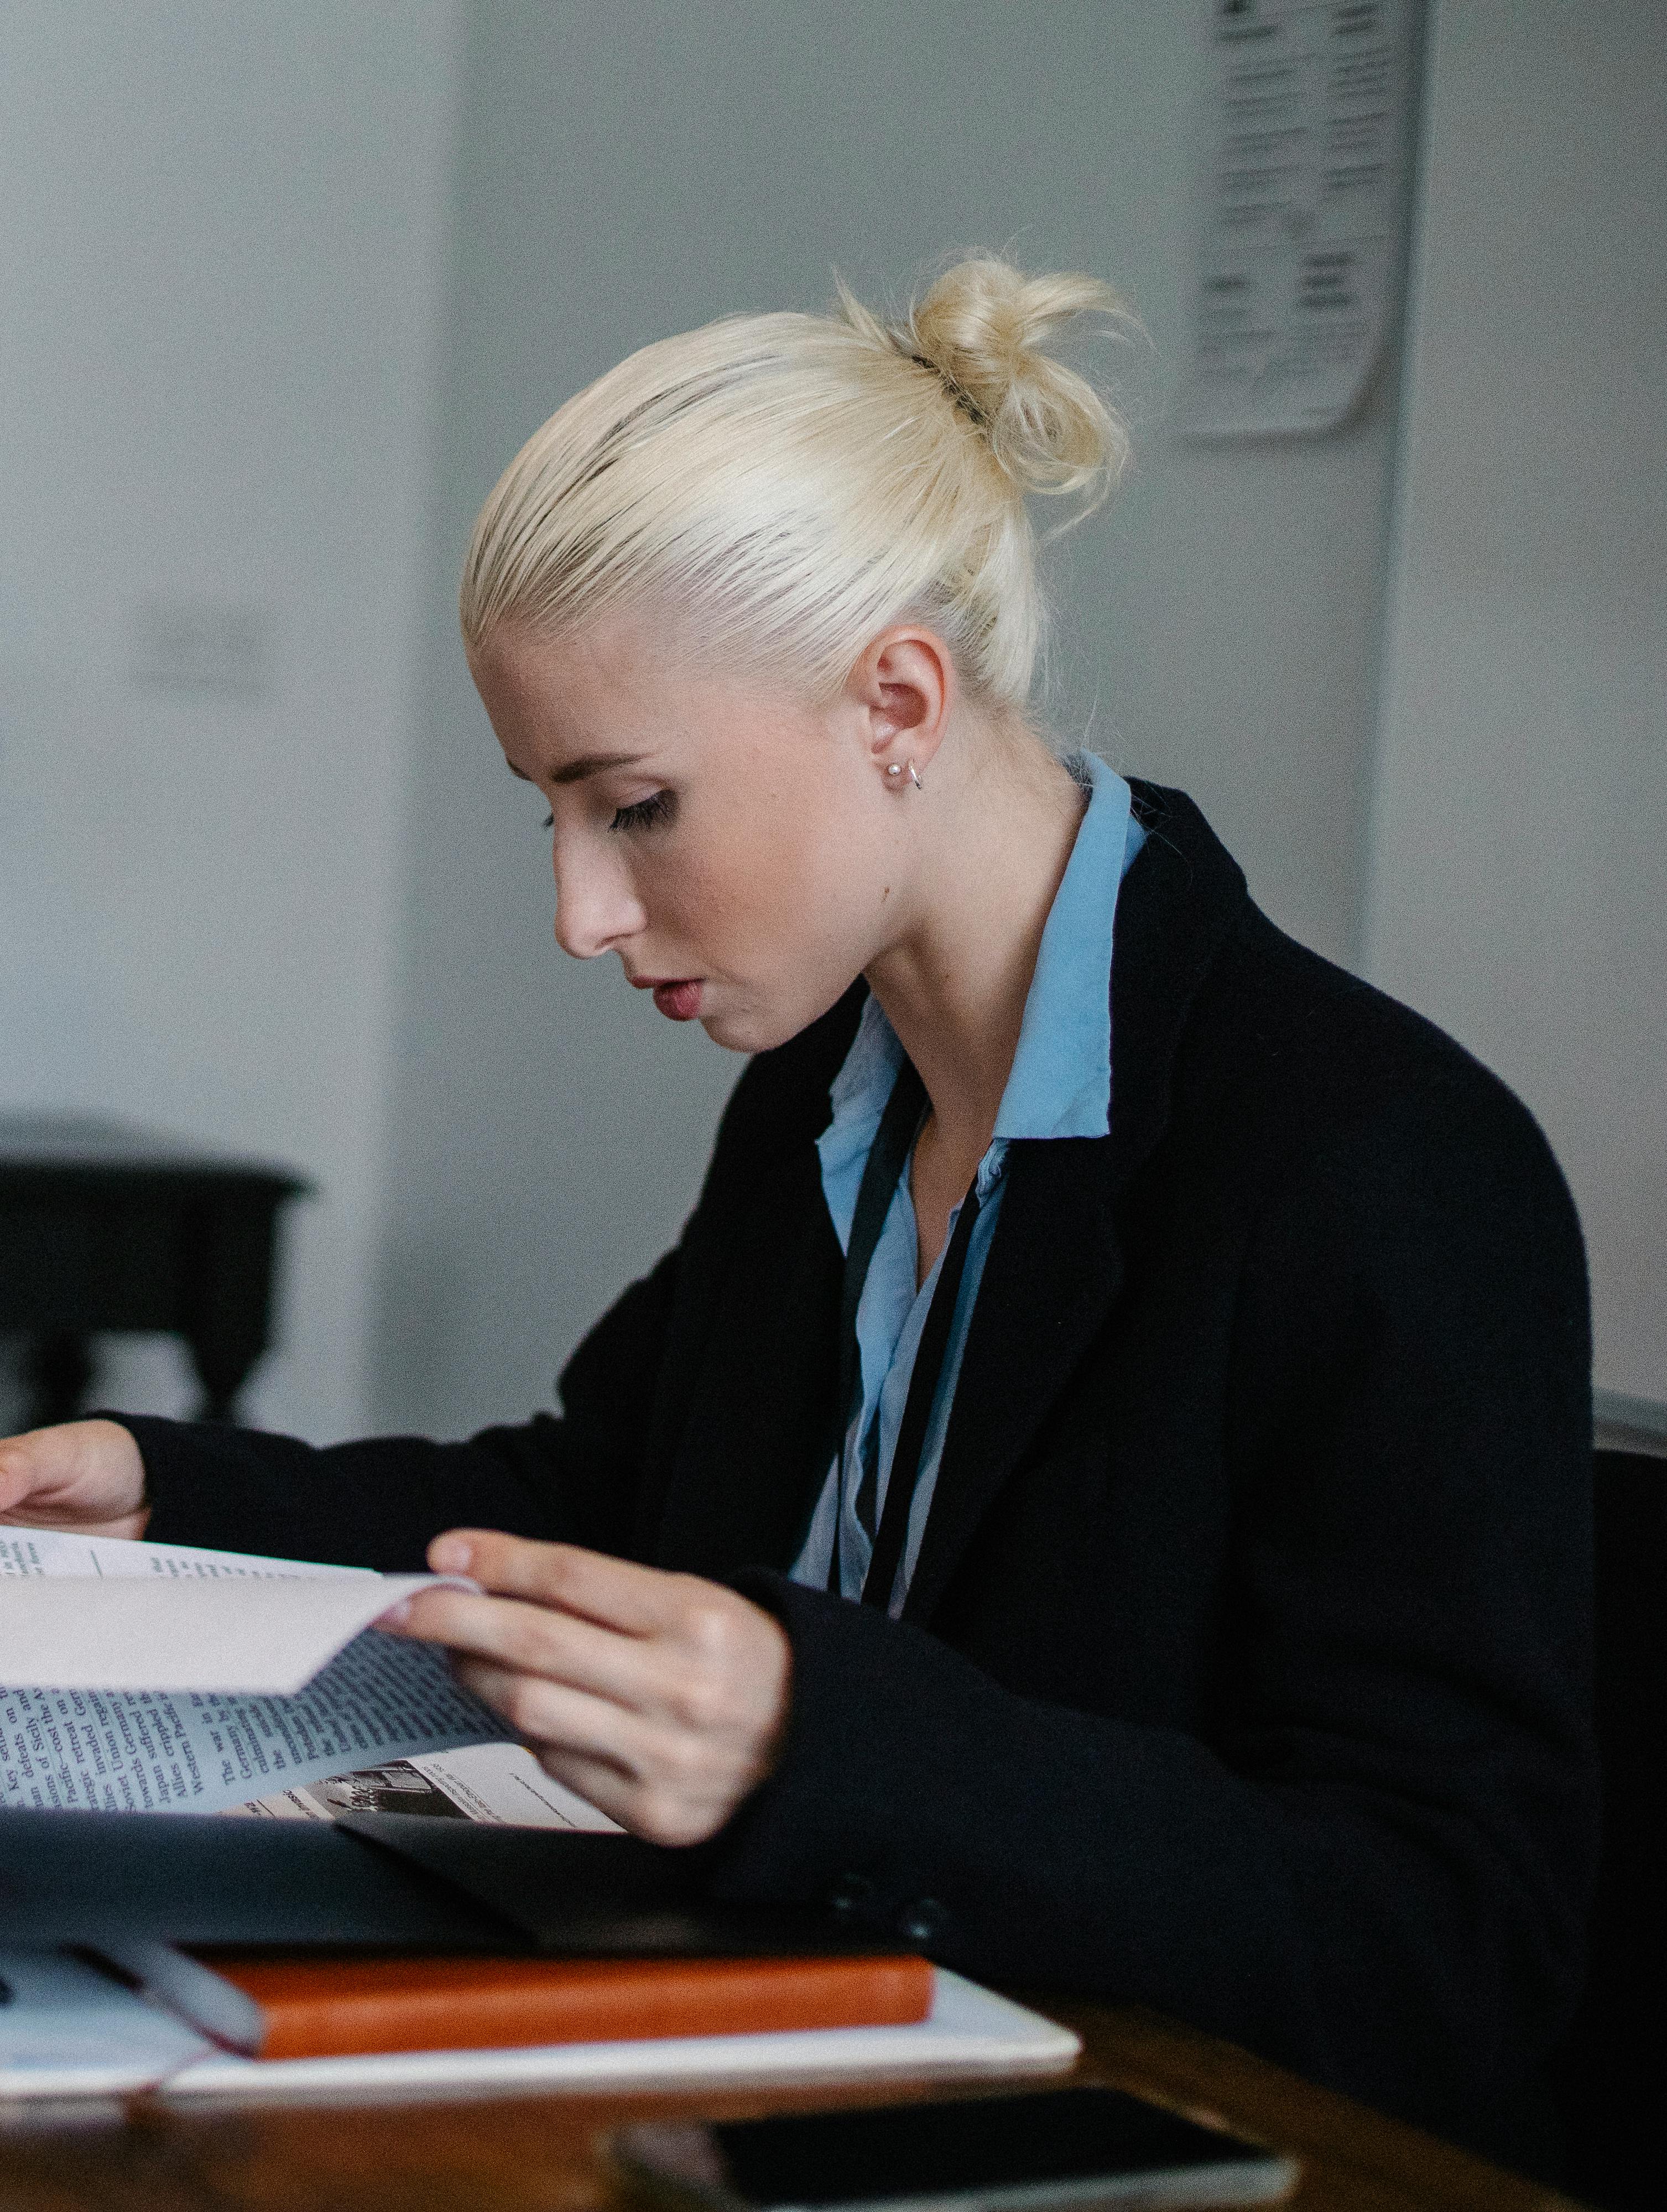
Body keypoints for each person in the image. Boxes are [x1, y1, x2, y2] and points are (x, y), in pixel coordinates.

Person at [0, 258, 1595, 2166]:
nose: (584, 913)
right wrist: (168, 1492)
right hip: (800, 2074)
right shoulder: (827, 1092)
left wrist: (814, 1746)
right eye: (554, 818)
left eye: (639, 806)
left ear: (898, 698)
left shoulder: (1379, 1161)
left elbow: (1454, 1946)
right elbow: (607, 1497)